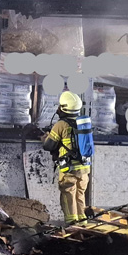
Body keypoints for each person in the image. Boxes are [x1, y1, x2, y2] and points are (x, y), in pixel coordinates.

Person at [41, 90, 94, 225]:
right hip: (84, 169)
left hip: (69, 169)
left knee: (68, 194)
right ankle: (82, 222)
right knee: (80, 194)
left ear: (64, 107)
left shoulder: (61, 125)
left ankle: (72, 224)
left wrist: (45, 138)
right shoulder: (83, 123)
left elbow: (48, 146)